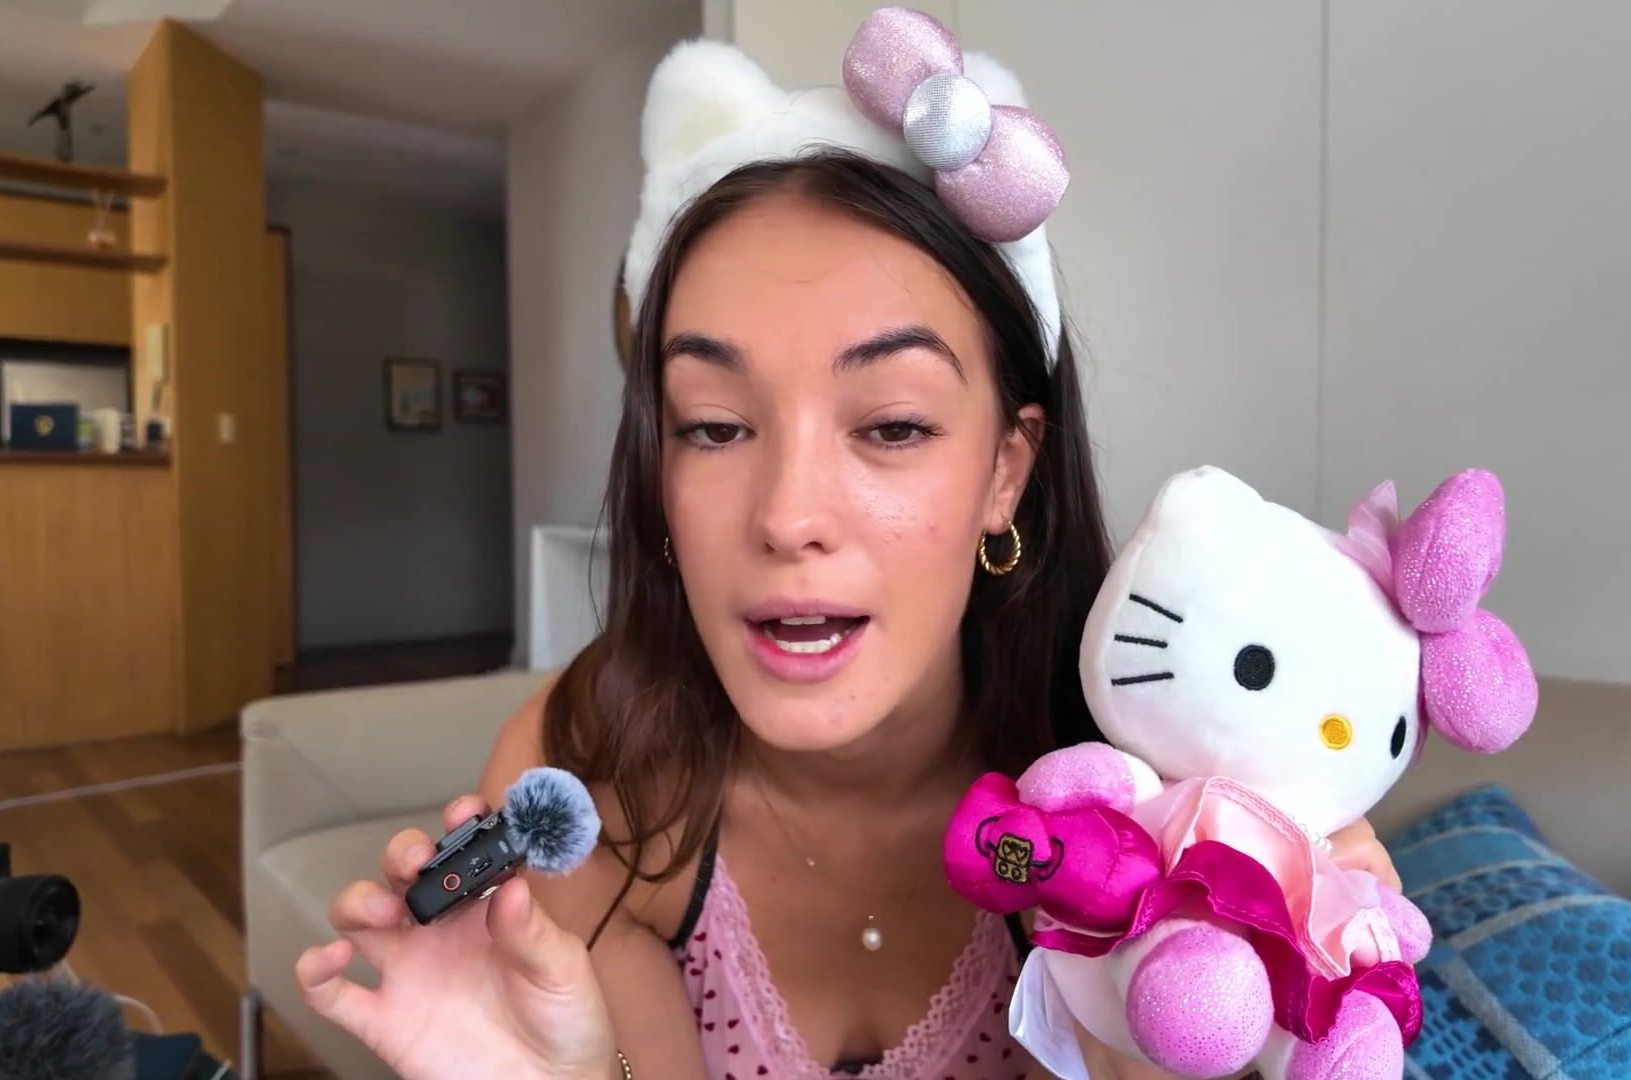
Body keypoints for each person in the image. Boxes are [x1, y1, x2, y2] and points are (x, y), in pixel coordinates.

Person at [295, 10, 1400, 1079]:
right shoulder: (588, 769)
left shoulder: (1147, 822)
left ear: (1006, 471)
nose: (787, 516)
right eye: (714, 427)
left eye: (893, 427)